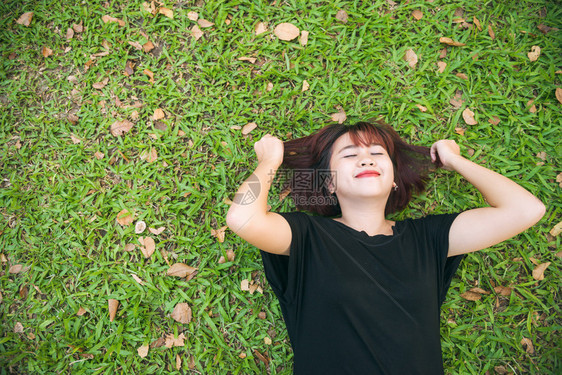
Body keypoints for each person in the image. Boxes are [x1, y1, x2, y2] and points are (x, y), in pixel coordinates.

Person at [225, 120, 545, 374]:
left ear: (393, 179)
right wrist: (271, 161)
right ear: (330, 183)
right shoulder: (309, 236)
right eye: (350, 155)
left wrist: (455, 160)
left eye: (378, 154)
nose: (366, 157)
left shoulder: (427, 239)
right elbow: (242, 219)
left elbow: (526, 210)